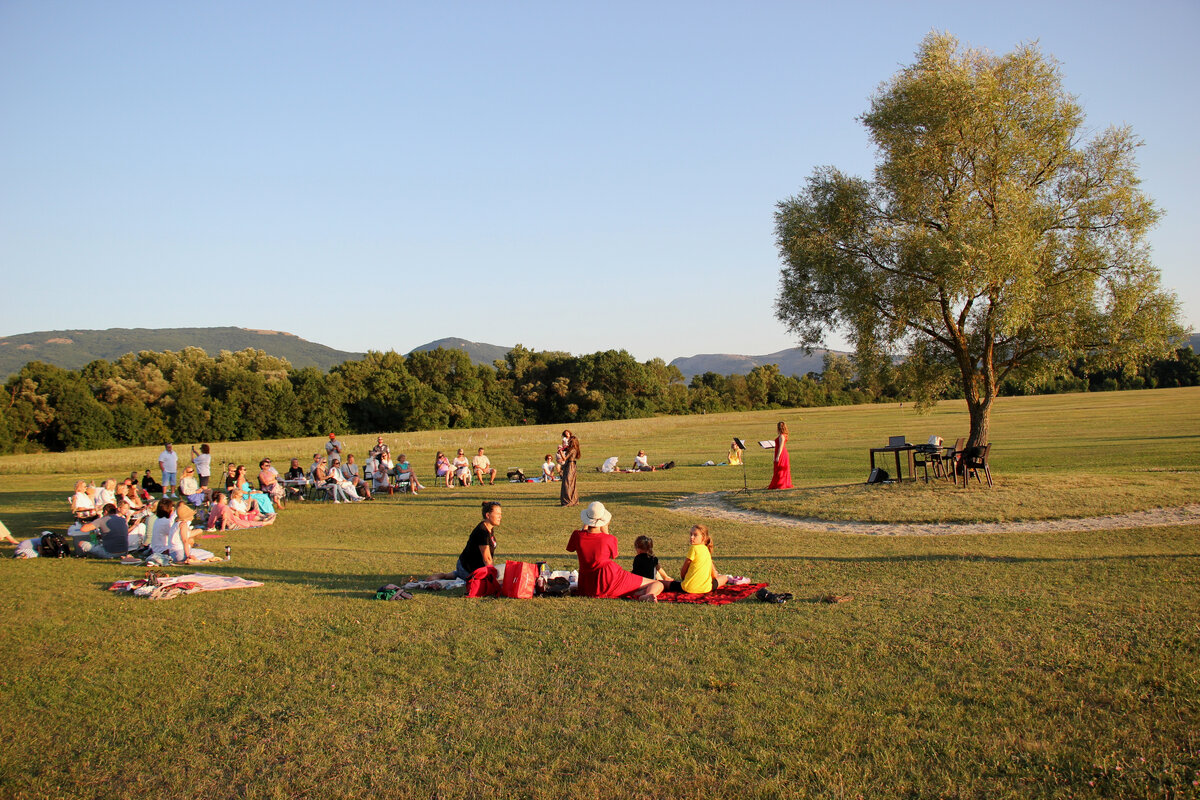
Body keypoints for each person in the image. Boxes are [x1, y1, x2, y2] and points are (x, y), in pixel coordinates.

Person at [567, 502, 662, 601]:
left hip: (587, 584)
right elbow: (614, 555)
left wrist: (587, 524)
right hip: (610, 578)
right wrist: (606, 531)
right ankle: (648, 594)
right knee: (656, 583)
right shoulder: (609, 539)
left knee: (636, 589)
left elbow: (575, 543)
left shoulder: (577, 536)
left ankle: (644, 594)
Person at [425, 501, 502, 582]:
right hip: (468, 569)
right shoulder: (482, 532)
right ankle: (454, 575)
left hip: (470, 566)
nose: (500, 517)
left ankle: (447, 575)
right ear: (488, 515)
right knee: (500, 579)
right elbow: (487, 559)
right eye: (497, 514)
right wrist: (493, 578)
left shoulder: (489, 528)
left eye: (500, 514)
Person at [665, 524, 731, 595]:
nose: (691, 537)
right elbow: (714, 574)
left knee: (663, 583)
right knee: (724, 577)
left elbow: (684, 569)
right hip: (706, 589)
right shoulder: (707, 550)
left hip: (689, 588)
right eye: (691, 534)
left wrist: (683, 578)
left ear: (703, 537)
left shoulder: (694, 548)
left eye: (695, 535)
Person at [766, 421, 793, 490]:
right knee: (777, 468)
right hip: (780, 452)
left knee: (780, 468)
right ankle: (777, 483)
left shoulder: (781, 436)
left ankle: (780, 484)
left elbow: (781, 446)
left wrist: (778, 456)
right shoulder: (783, 435)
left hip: (781, 453)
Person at [560, 429, 580, 507]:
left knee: (568, 483)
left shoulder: (573, 449)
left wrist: (561, 452)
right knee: (569, 483)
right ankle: (572, 500)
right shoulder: (571, 448)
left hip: (570, 465)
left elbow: (564, 458)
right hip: (569, 465)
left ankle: (569, 500)